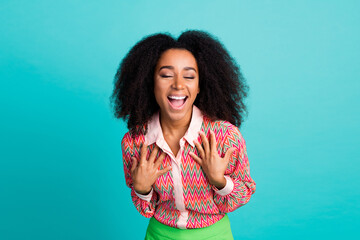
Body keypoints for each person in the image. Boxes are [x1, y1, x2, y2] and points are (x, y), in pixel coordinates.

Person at [110, 30, 256, 240]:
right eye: (166, 75)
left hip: (214, 235)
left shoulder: (226, 136)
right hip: (159, 235)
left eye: (189, 76)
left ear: (200, 86)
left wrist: (219, 181)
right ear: (150, 83)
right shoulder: (134, 143)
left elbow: (243, 193)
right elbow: (145, 208)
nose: (178, 84)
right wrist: (142, 189)